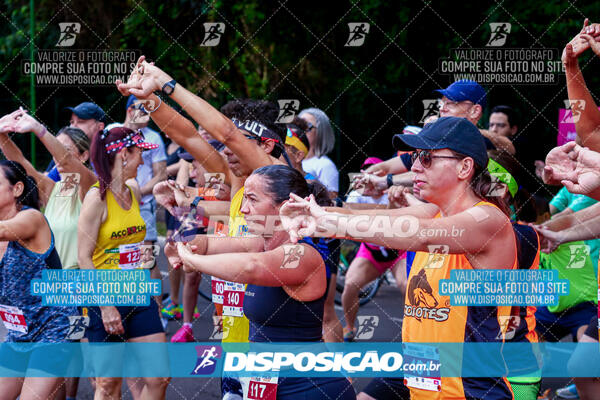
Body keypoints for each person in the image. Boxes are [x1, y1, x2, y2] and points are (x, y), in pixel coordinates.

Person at [281, 117, 519, 399]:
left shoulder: (488, 218)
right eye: (416, 157)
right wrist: (316, 215)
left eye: (427, 158)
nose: (415, 166)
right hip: (421, 371)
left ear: (465, 167)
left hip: (469, 391)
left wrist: (331, 223)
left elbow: (420, 235)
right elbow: (373, 218)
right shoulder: (435, 212)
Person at [170, 164, 356, 400]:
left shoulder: (302, 254)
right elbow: (206, 244)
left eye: (252, 200)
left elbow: (252, 267)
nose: (244, 209)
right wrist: (182, 245)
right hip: (267, 384)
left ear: (284, 206)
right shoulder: (261, 242)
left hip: (309, 389)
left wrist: (191, 259)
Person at [77, 126, 169, 399]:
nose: (143, 161)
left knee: (159, 378)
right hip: (105, 297)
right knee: (107, 385)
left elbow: (138, 243)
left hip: (138, 292)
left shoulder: (133, 189)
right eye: (139, 153)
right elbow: (83, 258)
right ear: (123, 154)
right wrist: (106, 307)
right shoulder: (96, 199)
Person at [0, 160, 77, 399]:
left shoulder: (31, 219)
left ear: (17, 189)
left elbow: (4, 230)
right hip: (18, 332)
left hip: (53, 329)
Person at [342, 157, 407, 342]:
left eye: (374, 174)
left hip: (397, 250)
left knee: (407, 285)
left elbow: (401, 224)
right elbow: (350, 223)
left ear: (383, 176)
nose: (369, 180)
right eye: (366, 175)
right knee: (349, 285)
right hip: (371, 251)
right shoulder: (356, 194)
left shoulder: (393, 191)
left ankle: (413, 330)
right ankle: (350, 326)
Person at [46, 102, 106, 182]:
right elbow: (44, 185)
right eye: (72, 122)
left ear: (100, 127)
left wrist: (39, 130)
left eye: (81, 122)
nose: (73, 126)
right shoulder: (64, 154)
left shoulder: (110, 156)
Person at [298, 108, 339, 198]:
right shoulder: (288, 159)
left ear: (321, 132)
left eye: (307, 126)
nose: (301, 130)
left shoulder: (324, 165)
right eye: (299, 125)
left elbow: (332, 200)